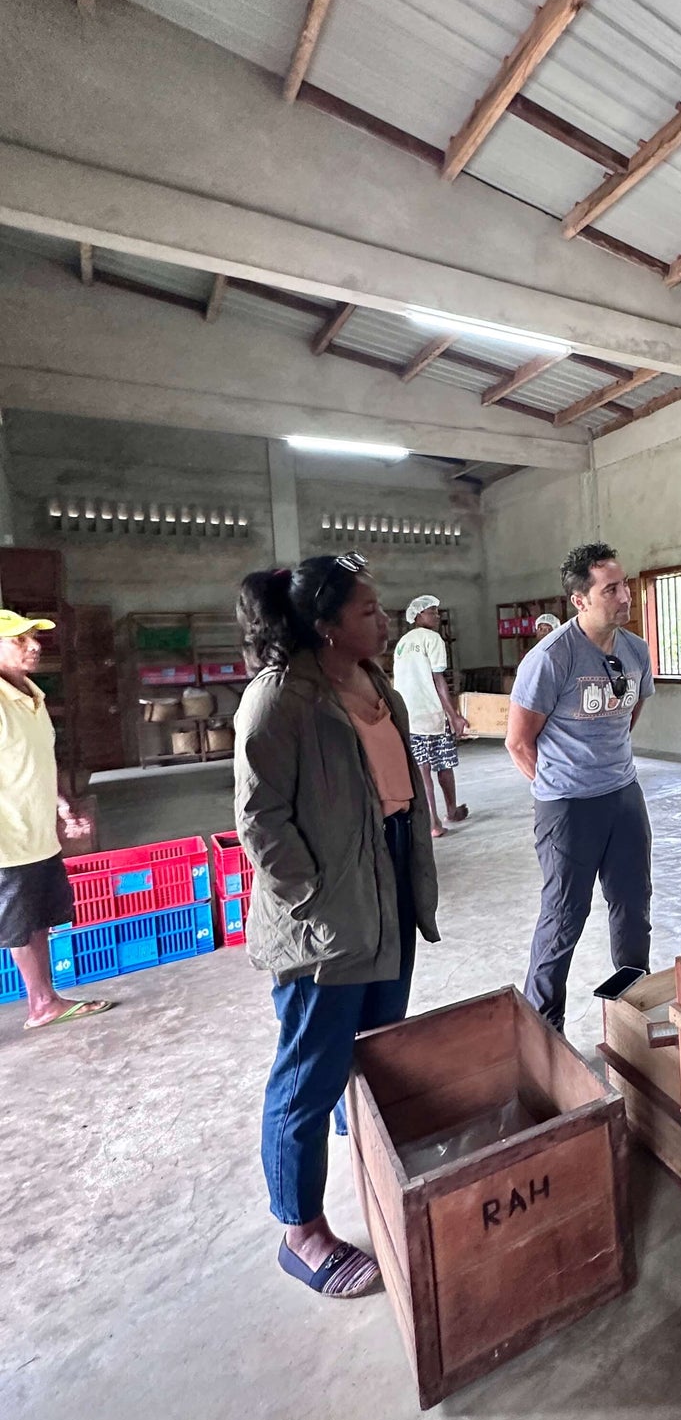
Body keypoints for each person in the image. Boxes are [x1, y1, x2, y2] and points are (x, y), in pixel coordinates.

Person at [235, 554, 439, 1299]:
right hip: (324, 910)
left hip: (386, 884)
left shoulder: (376, 684)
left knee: (378, 1045)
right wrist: (315, 899)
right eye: (367, 611)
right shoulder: (280, 698)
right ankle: (301, 1232)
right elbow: (259, 820)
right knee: (310, 1069)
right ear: (325, 626)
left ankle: (369, 1168)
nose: (382, 621)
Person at [506, 542, 653, 1033]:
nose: (625, 596)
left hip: (623, 796)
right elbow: (518, 742)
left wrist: (606, 769)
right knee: (564, 916)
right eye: (610, 589)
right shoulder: (552, 658)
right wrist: (561, 785)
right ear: (580, 600)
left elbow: (627, 717)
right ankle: (544, 1030)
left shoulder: (636, 651)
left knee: (633, 906)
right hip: (567, 807)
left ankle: (632, 1008)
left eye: (624, 585)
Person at [0, 610, 112, 1032]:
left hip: (37, 833)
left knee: (39, 918)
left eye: (34, 637)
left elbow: (37, 760)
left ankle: (45, 999)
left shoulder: (32, 695)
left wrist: (62, 805)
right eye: (19, 639)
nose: (34, 646)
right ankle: (41, 1003)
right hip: (8, 840)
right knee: (19, 924)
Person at [393, 594, 469, 839]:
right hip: (430, 712)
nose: (437, 616)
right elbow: (438, 680)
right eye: (431, 612)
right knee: (443, 764)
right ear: (417, 616)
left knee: (422, 768)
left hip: (408, 714)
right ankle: (447, 814)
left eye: (437, 611)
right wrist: (454, 716)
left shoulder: (403, 643)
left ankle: (434, 820)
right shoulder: (432, 638)